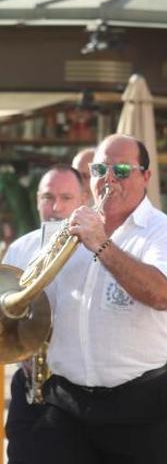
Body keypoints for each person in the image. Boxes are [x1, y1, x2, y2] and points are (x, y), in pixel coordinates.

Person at [32, 134, 167, 463]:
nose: (108, 179)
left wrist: (101, 244)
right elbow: (39, 299)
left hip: (139, 404)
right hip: (67, 401)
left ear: (146, 176)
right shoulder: (68, 229)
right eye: (99, 169)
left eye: (121, 170)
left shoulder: (166, 233)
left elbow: (162, 295)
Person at [1, 165, 88, 464]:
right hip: (30, 382)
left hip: (79, 387)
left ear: (83, 200)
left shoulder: (97, 251)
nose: (56, 208)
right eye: (48, 197)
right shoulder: (20, 248)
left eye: (66, 197)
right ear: (37, 199)